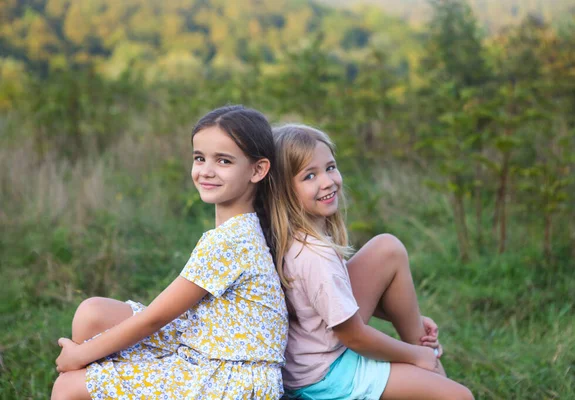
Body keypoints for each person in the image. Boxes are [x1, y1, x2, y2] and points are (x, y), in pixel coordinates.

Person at [51, 105, 288, 399]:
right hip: (209, 346)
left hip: (231, 378)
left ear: (258, 169)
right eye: (200, 158)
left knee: (68, 387)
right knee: (93, 314)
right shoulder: (238, 230)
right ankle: (105, 380)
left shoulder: (231, 241)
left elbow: (155, 318)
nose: (206, 171)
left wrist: (79, 357)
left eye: (224, 161)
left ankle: (93, 381)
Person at [272, 124, 473, 400]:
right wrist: (416, 356)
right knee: (459, 397)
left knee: (386, 248)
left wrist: (407, 316)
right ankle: (430, 368)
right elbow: (352, 336)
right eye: (309, 176)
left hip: (312, 354)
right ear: (283, 190)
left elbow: (329, 306)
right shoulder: (315, 257)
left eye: (330, 167)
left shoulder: (303, 236)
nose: (328, 181)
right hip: (326, 374)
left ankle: (427, 364)